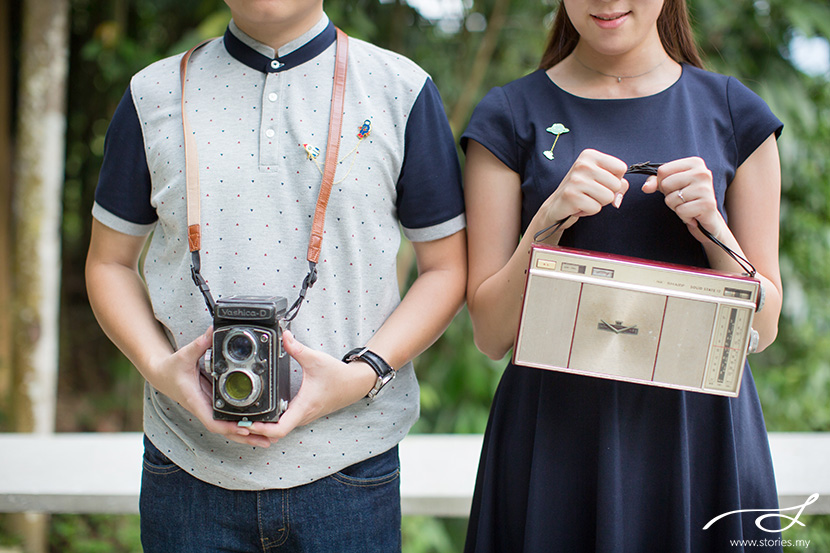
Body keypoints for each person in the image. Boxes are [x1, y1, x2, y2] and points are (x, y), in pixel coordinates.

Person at [85, 2, 466, 551]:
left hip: (351, 465)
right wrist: (160, 370)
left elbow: (447, 268)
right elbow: (108, 262)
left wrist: (364, 374)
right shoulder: (154, 93)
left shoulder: (400, 89)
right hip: (185, 467)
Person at [461, 0, 783, 551]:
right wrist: (548, 222)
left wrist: (714, 228)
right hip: (555, 434)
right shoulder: (510, 114)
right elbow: (490, 333)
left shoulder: (734, 112)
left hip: (698, 434)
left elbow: (765, 324)